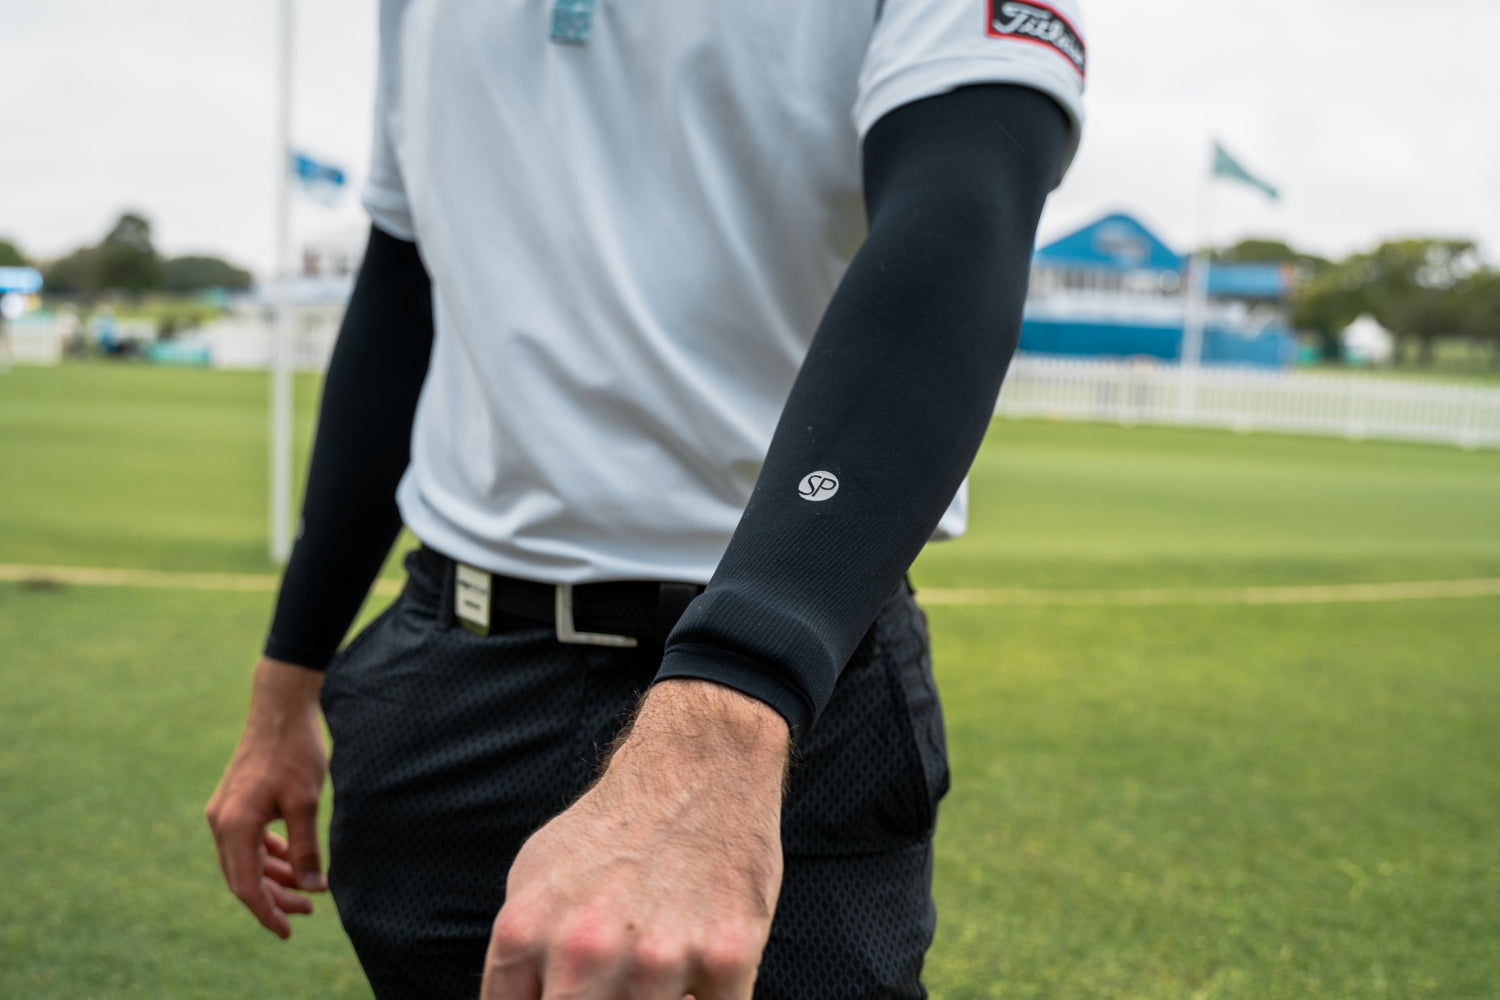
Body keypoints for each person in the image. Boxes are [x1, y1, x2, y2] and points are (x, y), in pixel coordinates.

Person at [206, 2, 1087, 997]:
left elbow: (965, 214)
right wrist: (286, 689)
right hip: (448, 671)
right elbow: (406, 280)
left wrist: (731, 704)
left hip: (783, 696)